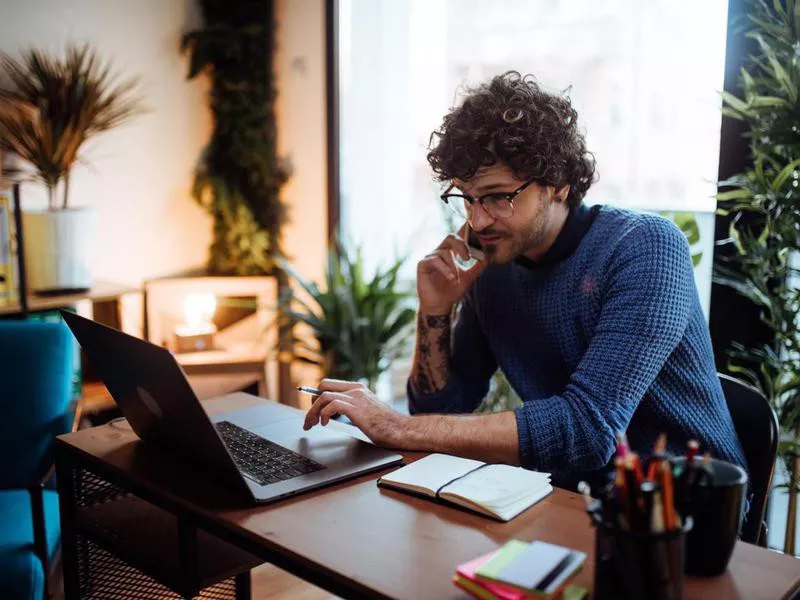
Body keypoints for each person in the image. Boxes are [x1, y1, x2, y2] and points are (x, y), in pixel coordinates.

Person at [303, 71, 746, 490]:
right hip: (568, 499)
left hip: (688, 505)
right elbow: (440, 410)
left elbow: (587, 430)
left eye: (498, 197)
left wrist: (395, 426)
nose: (478, 220)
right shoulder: (494, 263)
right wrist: (435, 311)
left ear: (559, 183)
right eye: (467, 199)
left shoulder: (644, 248)